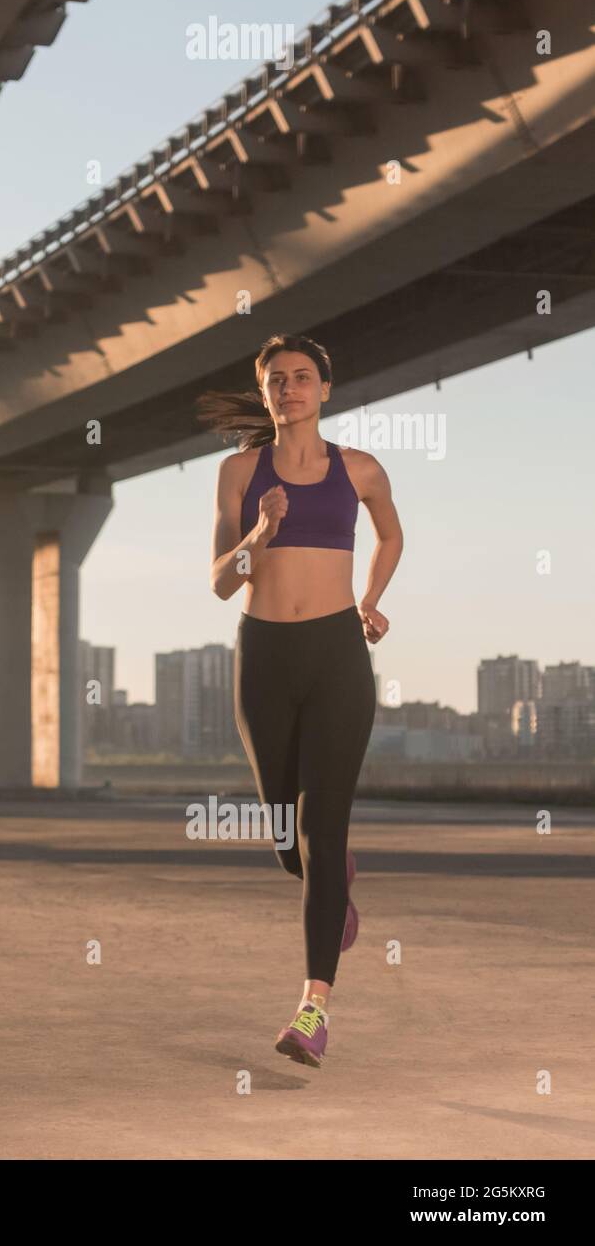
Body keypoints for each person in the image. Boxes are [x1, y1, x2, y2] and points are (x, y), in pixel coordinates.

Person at [199, 333, 403, 1067]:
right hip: (264, 659)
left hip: (337, 658)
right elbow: (224, 580)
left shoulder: (360, 470)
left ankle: (314, 1008)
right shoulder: (238, 473)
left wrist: (372, 600)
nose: (290, 388)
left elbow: (391, 536)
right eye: (276, 379)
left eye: (303, 377)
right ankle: (331, 874)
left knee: (322, 832)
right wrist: (259, 531)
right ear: (265, 395)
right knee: (290, 843)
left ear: (324, 389)